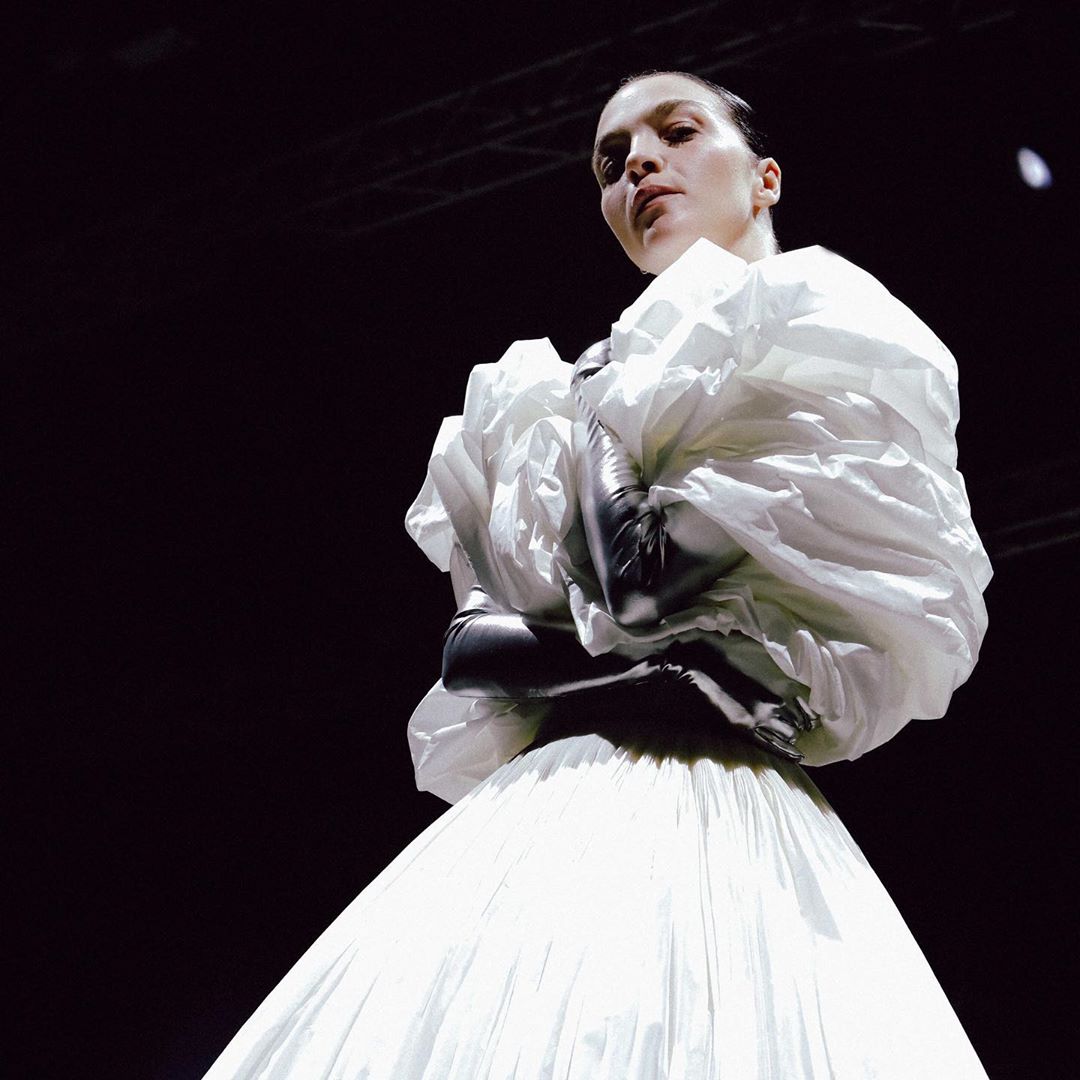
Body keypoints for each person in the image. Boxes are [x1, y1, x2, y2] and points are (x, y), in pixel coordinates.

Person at [203, 71, 992, 1078]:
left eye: (676, 131)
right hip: (551, 812)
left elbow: (639, 586)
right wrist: (670, 665)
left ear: (764, 178)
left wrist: (591, 425)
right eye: (612, 162)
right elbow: (471, 651)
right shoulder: (539, 390)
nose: (639, 166)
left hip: (716, 817)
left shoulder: (827, 326)